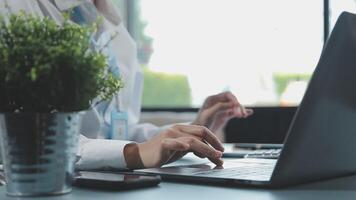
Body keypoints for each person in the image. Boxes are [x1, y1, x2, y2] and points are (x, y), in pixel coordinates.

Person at [0, 0, 253, 169]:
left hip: (109, 184)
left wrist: (190, 132)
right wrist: (134, 153)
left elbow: (117, 133)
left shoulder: (112, 27)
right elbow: (31, 140)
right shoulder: (15, 9)